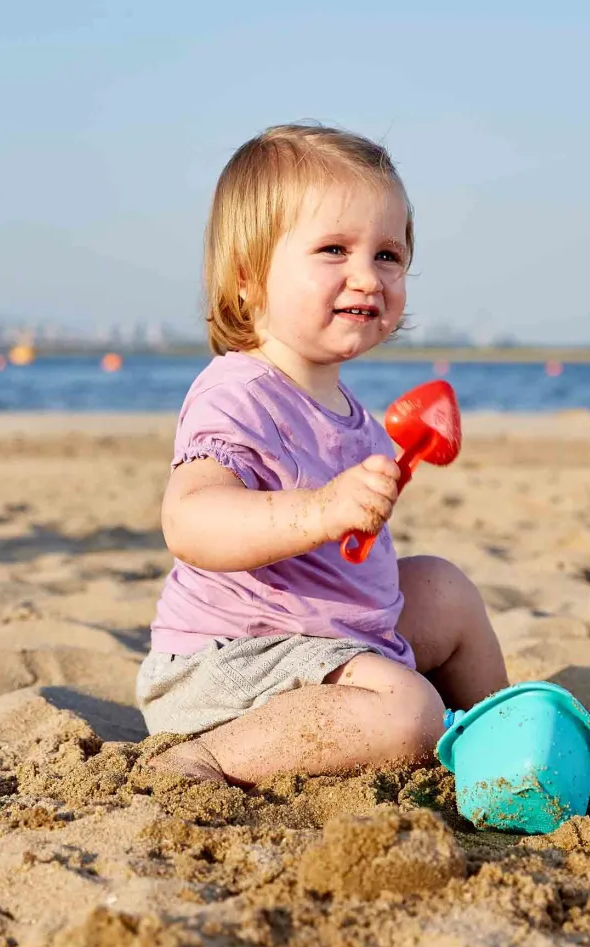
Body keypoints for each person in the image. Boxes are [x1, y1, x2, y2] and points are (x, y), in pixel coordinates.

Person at [140, 123, 508, 785]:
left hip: (325, 639)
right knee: (408, 714)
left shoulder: (354, 416)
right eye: (334, 248)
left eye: (389, 256)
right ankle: (206, 758)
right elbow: (190, 521)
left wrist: (351, 511)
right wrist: (319, 509)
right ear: (249, 279)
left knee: (446, 589)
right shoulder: (239, 390)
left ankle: (498, 735)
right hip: (231, 664)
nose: (367, 276)